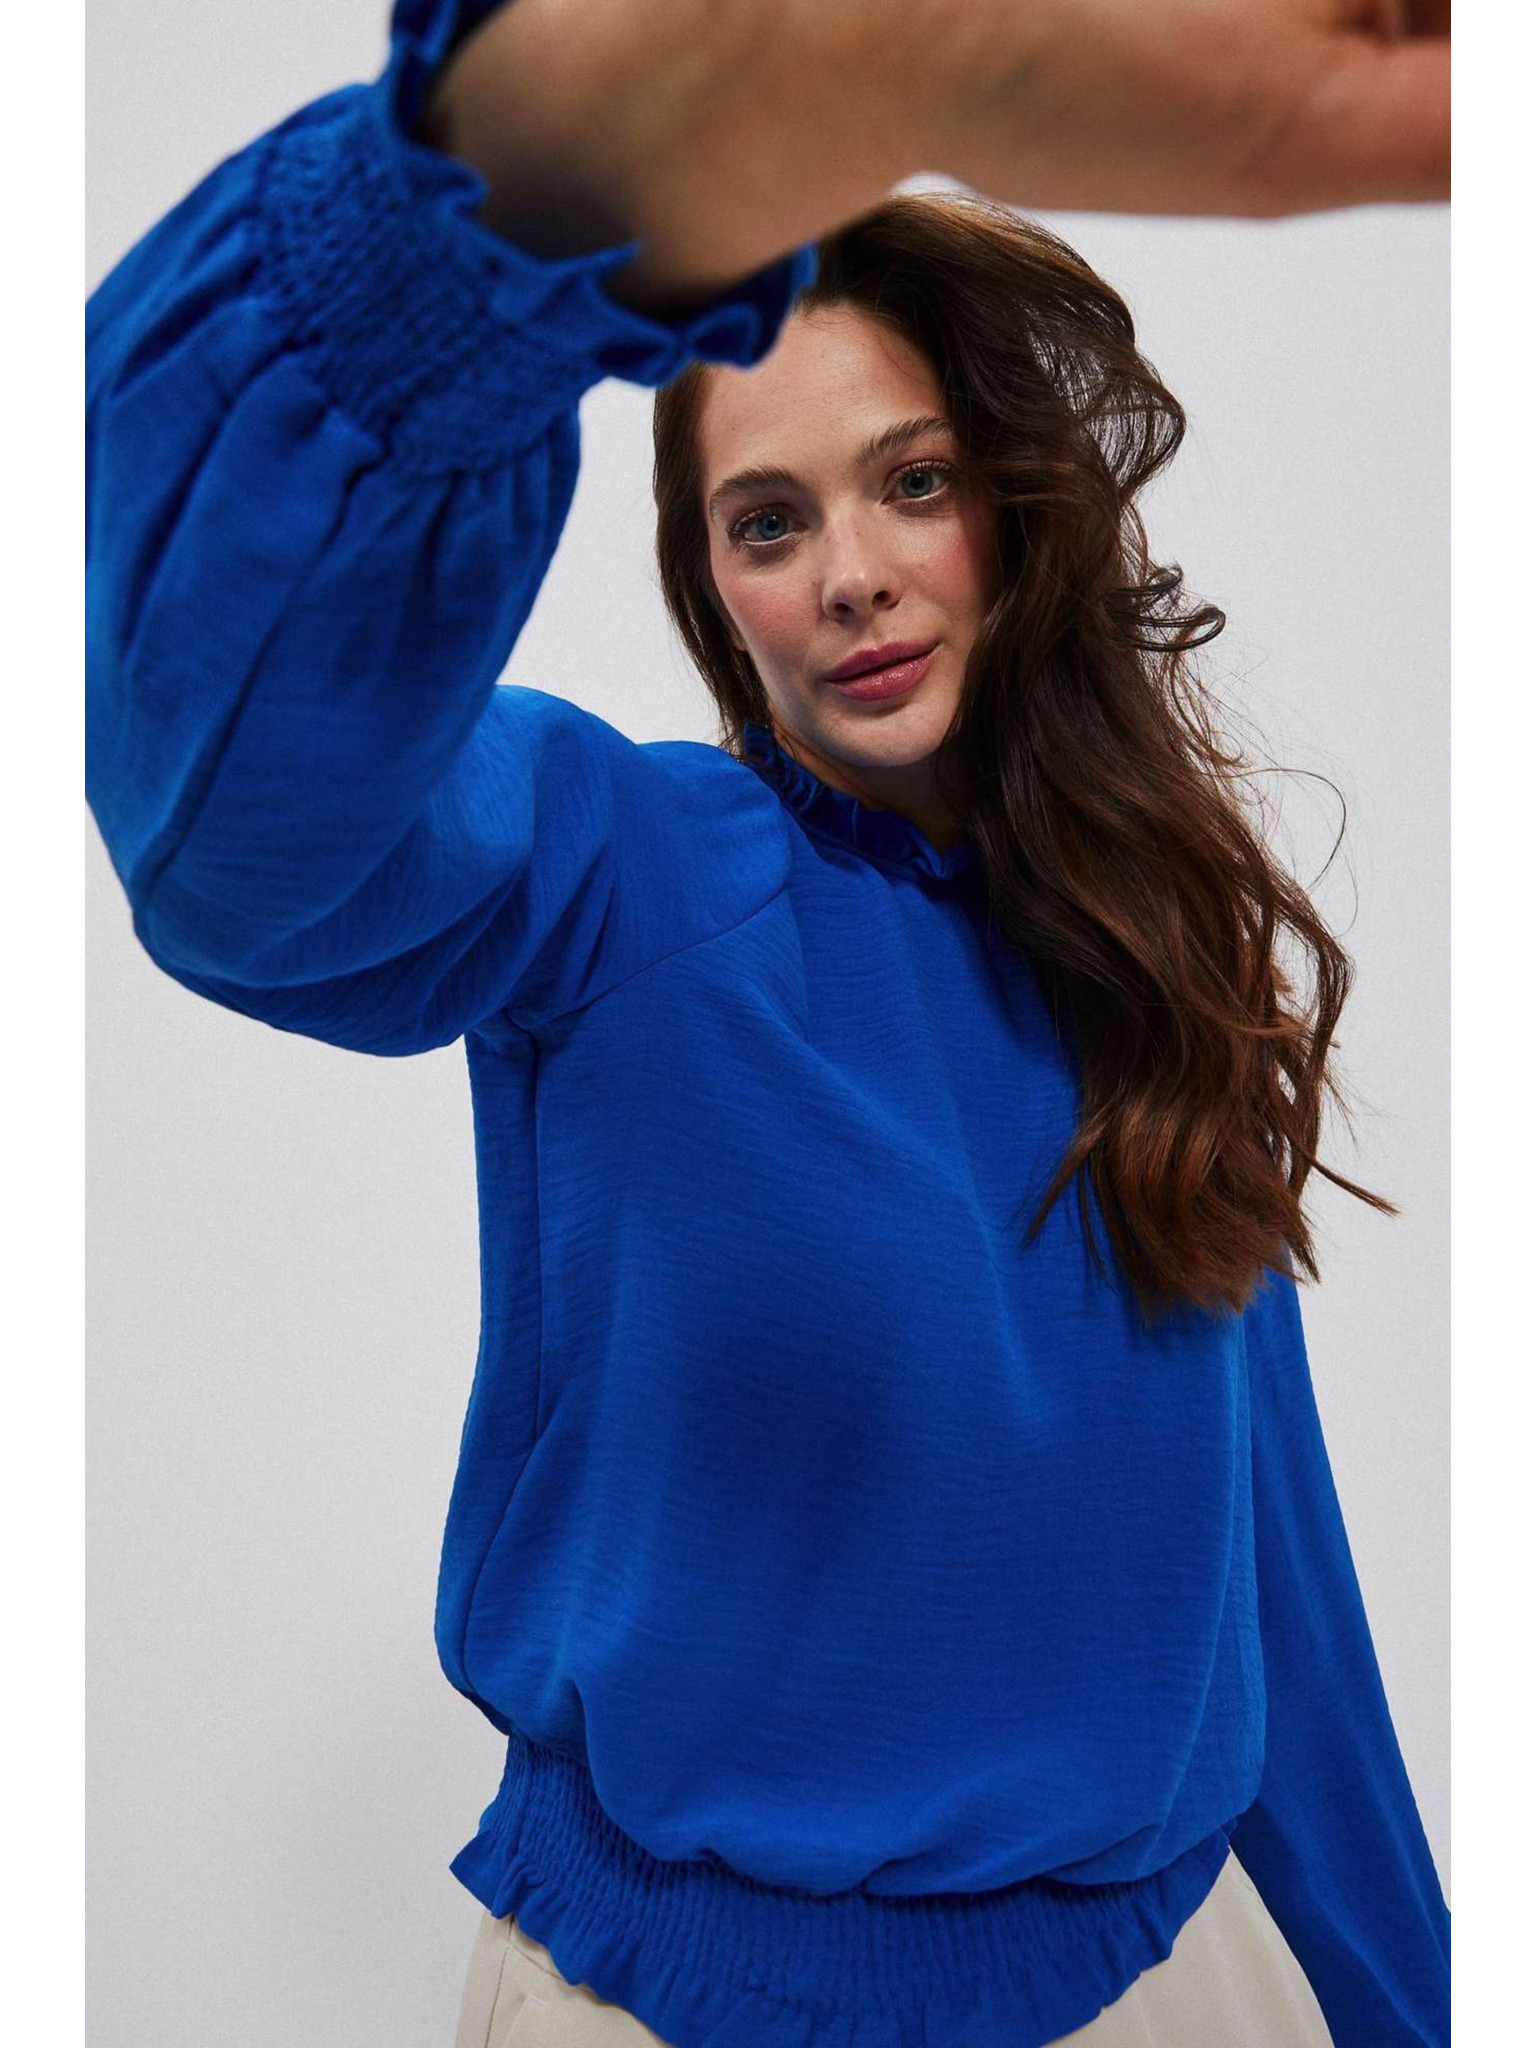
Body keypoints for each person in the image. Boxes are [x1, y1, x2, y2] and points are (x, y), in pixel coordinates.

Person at [84, 2, 1451, 2044]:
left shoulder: (1155, 942)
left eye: (914, 481)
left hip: (1175, 1979)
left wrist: (1411, 2002)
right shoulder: (621, 866)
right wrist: (517, 181)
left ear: (1013, 507)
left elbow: (1272, 1588)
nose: (855, 576)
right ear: (710, 584)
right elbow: (244, 852)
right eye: (770, 520)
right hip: (674, 1999)